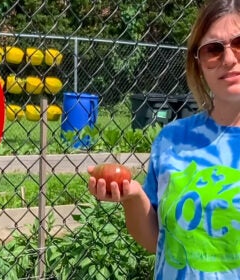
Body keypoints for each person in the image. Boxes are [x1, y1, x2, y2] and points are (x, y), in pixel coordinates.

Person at [88, 0, 240, 278]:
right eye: (213, 50)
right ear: (199, 62)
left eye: (239, 43)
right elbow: (157, 241)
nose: (229, 59)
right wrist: (132, 196)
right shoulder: (172, 139)